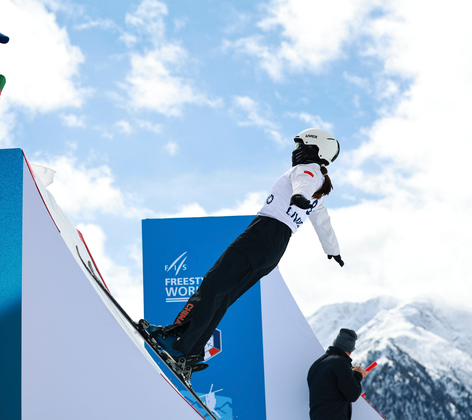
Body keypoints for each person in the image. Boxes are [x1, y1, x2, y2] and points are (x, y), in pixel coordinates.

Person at [148, 128, 345, 370]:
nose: (294, 152)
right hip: (276, 246)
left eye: (298, 146)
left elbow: (302, 183)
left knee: (213, 284)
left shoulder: (307, 171)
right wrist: (332, 249)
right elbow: (322, 220)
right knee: (223, 296)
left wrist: (299, 196)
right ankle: (190, 352)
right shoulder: (321, 184)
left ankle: (174, 341)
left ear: (313, 148)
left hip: (262, 233)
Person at [307, 328, 367, 420]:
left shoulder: (317, 364)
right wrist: (358, 375)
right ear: (350, 351)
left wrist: (349, 374)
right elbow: (353, 394)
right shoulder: (341, 363)